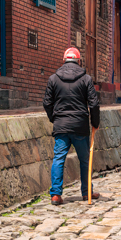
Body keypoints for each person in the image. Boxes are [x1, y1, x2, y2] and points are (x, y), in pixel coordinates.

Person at [43, 47, 100, 205]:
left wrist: (54, 118)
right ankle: (86, 192)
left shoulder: (53, 79)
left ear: (64, 60)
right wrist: (95, 122)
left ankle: (55, 194)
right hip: (80, 126)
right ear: (79, 61)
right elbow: (94, 104)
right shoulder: (86, 79)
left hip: (61, 125)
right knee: (84, 160)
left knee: (59, 159)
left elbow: (47, 103)